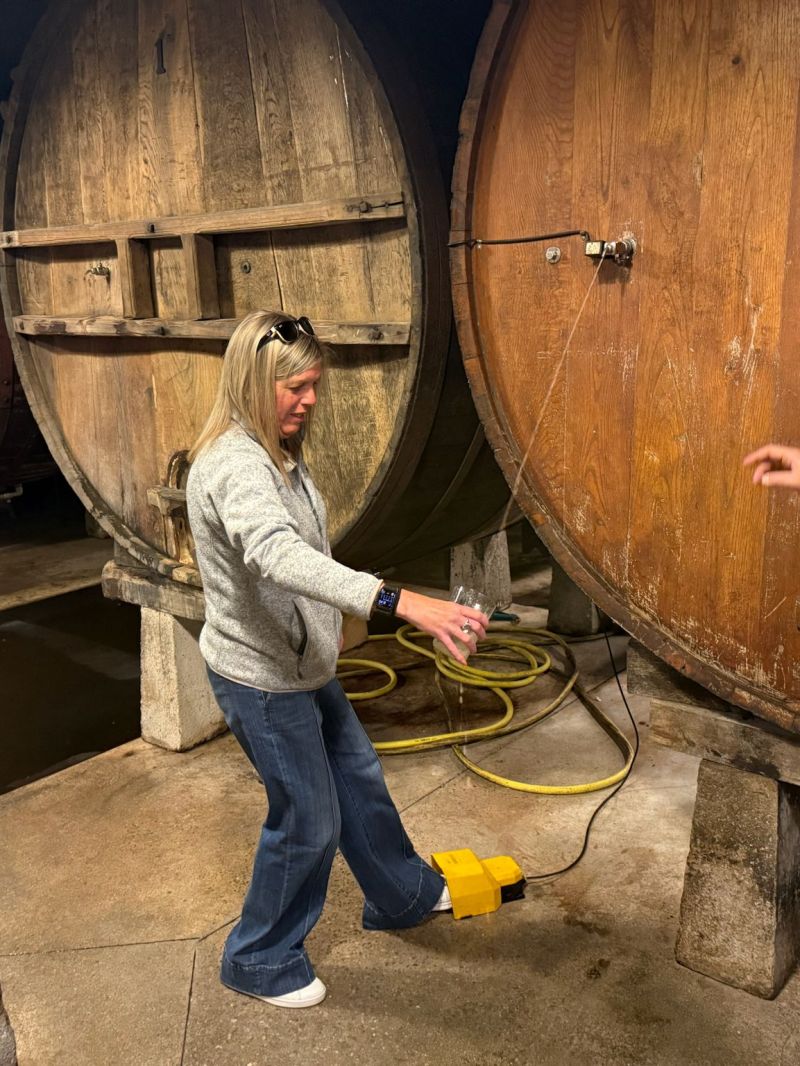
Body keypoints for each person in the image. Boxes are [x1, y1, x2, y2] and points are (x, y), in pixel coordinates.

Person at [186, 309, 489, 1009]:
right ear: (253, 382)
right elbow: (278, 555)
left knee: (357, 779)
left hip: (302, 667)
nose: (310, 400)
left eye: (314, 384)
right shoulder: (234, 463)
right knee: (307, 819)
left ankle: (401, 893)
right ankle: (258, 957)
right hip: (262, 680)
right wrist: (401, 602)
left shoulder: (278, 454)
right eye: (295, 387)